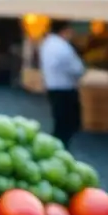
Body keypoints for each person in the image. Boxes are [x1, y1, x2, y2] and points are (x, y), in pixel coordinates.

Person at [40, 20, 86, 148]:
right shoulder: (62, 46)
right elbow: (77, 69)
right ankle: (60, 146)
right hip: (65, 88)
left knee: (59, 119)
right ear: (64, 30)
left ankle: (57, 145)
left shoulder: (47, 43)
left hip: (52, 86)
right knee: (66, 122)